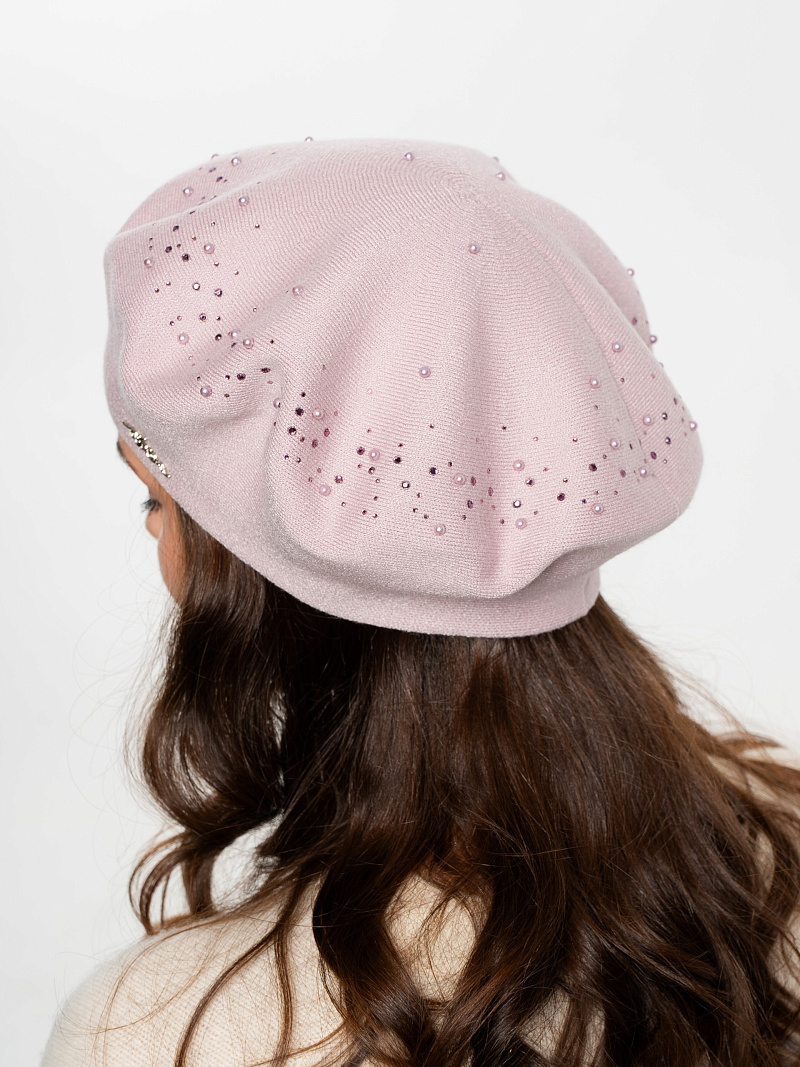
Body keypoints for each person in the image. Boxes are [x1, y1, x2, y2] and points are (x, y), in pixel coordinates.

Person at [42, 138, 800, 1067]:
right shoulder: (770, 870)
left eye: (156, 501)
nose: (154, 538)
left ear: (258, 577)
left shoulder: (158, 1033)